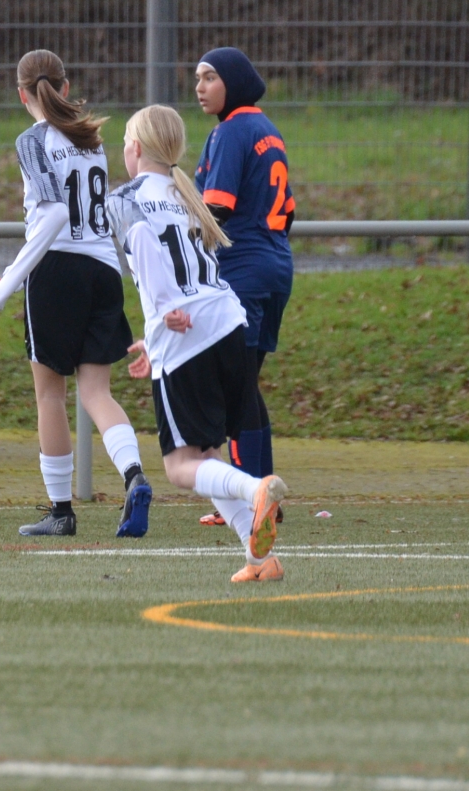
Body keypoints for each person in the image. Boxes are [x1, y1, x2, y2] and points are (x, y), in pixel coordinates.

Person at [111, 105, 288, 582]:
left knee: (180, 466)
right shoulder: (185, 192)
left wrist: (162, 319)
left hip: (185, 330)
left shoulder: (126, 197)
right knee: (207, 456)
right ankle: (261, 560)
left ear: (135, 148)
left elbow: (148, 250)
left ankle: (255, 489)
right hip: (228, 322)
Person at [0, 50, 153, 538]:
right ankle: (134, 476)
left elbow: (54, 214)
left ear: (22, 94)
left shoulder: (32, 140)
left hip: (55, 269)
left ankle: (61, 511)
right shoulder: (91, 137)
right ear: (65, 85)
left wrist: (8, 281)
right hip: (102, 268)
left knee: (49, 394)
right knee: (97, 391)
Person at [191, 48, 292, 525]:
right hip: (276, 265)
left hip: (244, 271)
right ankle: (257, 493)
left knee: (238, 389)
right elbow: (287, 212)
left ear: (233, 81)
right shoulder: (267, 129)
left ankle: (253, 499)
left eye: (210, 77)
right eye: (197, 78)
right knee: (245, 386)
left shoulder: (230, 132)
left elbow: (217, 211)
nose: (200, 86)